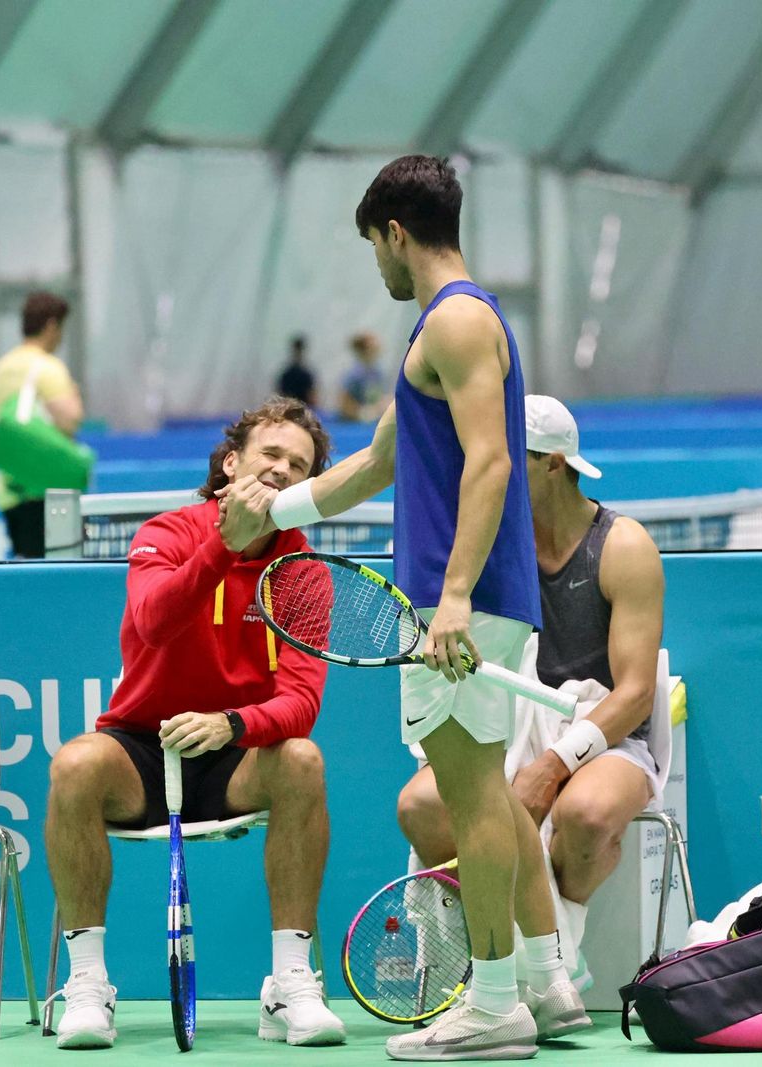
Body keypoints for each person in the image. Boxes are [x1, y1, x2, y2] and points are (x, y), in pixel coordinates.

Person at [219, 155, 586, 1061]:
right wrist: (275, 510)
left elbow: (492, 461)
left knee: (471, 800)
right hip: (461, 596)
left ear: (393, 233)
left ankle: (494, 1001)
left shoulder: (457, 321)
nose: (375, 271)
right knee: (485, 790)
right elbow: (378, 464)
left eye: (372, 250)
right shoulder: (445, 328)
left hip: (456, 599)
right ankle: (542, 981)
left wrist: (454, 596)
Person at [43, 398, 347, 1051]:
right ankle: (88, 986)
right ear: (231, 461)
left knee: (302, 760)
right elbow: (153, 620)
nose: (282, 470)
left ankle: (290, 983)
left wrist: (232, 723)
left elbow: (300, 701)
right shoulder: (169, 531)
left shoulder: (302, 572)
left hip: (233, 752)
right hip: (142, 750)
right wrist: (222, 547)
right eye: (271, 454)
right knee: (74, 765)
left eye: (300, 465)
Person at [396, 394, 666, 985]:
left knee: (589, 814)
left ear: (552, 463)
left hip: (602, 729)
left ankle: (560, 946)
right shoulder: (485, 547)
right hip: (511, 722)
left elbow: (638, 693)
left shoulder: (623, 547)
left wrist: (553, 765)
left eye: (508, 456)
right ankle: (529, 959)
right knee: (420, 805)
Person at [0, 291, 84, 558]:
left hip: (9, 489)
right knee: (54, 573)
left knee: (25, 562)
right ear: (51, 326)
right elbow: (70, 422)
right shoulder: (49, 369)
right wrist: (74, 395)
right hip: (47, 491)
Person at [338, 331, 388, 421]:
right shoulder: (354, 373)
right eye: (373, 346)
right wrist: (361, 413)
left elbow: (380, 395)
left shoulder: (377, 372)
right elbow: (343, 402)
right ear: (364, 350)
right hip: (354, 423)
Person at [276, 335, 319, 407]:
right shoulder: (305, 374)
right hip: (300, 410)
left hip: (291, 409)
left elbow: (280, 395)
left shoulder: (287, 374)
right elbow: (312, 397)